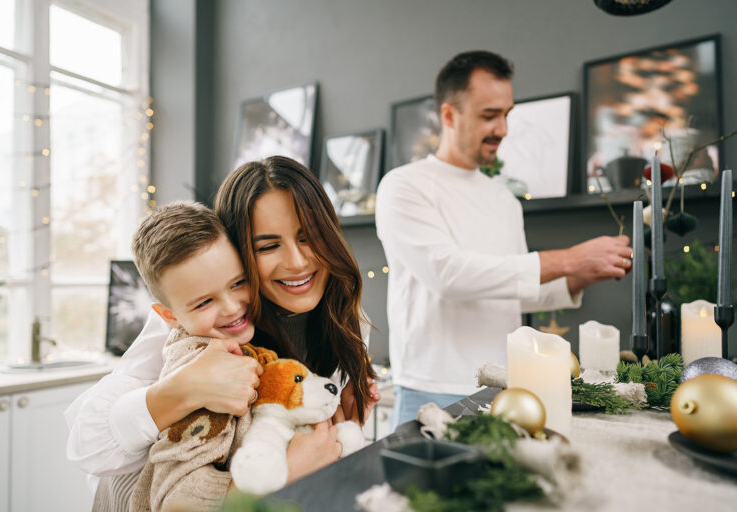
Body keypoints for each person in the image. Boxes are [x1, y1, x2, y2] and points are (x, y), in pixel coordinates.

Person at [65, 156, 379, 508]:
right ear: (239, 250)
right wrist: (183, 389)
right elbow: (87, 444)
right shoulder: (199, 327)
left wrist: (337, 418)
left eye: (309, 237)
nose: (298, 261)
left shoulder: (344, 317)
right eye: (268, 245)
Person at [375, 50, 632, 429]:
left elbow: (516, 287)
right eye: (489, 115)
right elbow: (448, 276)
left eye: (506, 114)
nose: (504, 129)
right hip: (430, 389)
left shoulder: (505, 200)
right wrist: (569, 260)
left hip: (503, 387)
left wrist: (583, 273)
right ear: (449, 115)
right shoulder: (403, 185)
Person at [126, 200, 273, 510]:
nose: (232, 307)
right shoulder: (204, 367)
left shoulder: (234, 343)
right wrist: (286, 473)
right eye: (204, 302)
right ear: (170, 316)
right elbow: (179, 498)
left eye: (238, 283)